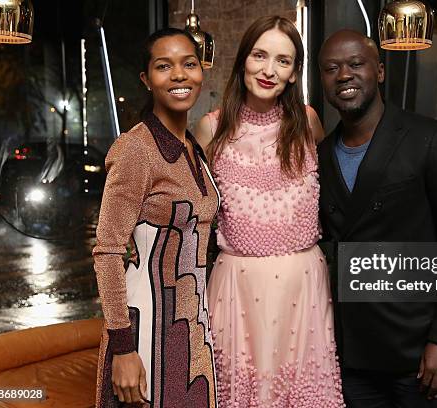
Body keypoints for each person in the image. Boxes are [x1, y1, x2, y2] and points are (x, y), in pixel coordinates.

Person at [317, 29, 437, 407]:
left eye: (356, 64)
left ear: (379, 71)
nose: (344, 75)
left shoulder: (429, 139)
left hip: (419, 356)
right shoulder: (321, 156)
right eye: (331, 68)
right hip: (352, 358)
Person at [195, 15, 344, 408]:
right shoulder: (210, 129)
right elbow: (190, 216)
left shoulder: (308, 123)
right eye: (260, 55)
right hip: (236, 287)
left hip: (303, 285)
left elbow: (335, 201)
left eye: (282, 60)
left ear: (295, 73)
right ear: (243, 59)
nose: (268, 70)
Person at [93, 28, 219, 407]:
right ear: (147, 79)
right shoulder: (136, 148)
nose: (179, 75)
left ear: (201, 72)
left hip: (192, 324)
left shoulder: (193, 147)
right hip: (144, 325)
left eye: (189, 64)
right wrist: (123, 348)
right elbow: (108, 252)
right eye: (165, 66)